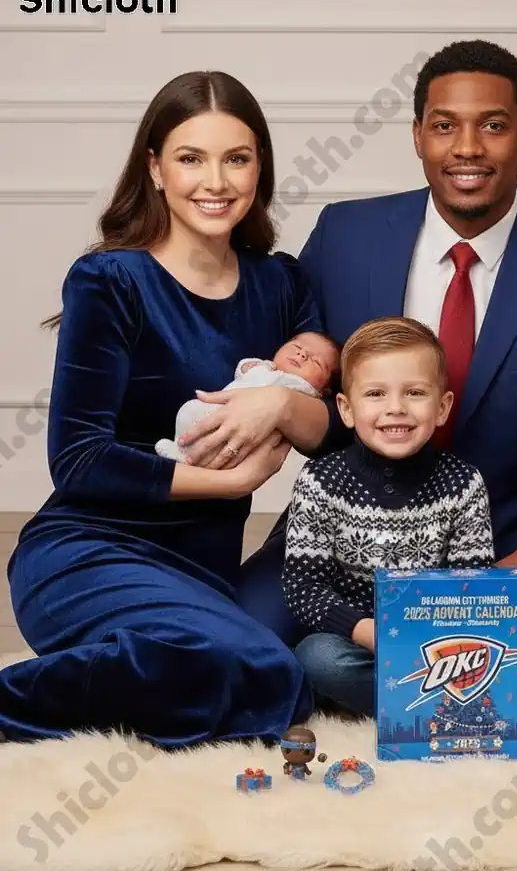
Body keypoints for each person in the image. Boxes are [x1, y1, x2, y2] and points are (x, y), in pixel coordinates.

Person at [231, 39, 517, 686]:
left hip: (500, 543)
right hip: (344, 542)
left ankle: (381, 675)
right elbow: (308, 380)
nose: (468, 148)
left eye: (493, 125)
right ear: (419, 136)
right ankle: (462, 675)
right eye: (445, 126)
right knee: (241, 642)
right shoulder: (345, 237)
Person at [0, 71, 337, 747]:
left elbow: (327, 437)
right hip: (86, 551)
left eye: (236, 158)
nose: (215, 181)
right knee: (267, 673)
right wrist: (234, 482)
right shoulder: (111, 280)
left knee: (253, 676)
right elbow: (79, 462)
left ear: (259, 167)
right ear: (155, 169)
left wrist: (276, 401)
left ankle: (101, 682)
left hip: (200, 572)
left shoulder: (280, 283)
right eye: (191, 158)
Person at [283, 316, 495, 716]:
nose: (395, 409)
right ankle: (437, 705)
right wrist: (373, 634)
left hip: (439, 645)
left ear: (442, 407)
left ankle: (410, 699)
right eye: (376, 394)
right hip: (357, 640)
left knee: (498, 649)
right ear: (346, 409)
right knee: (317, 657)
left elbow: (473, 586)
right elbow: (303, 587)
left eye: (414, 392)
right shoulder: (320, 480)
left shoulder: (463, 483)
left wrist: (437, 646)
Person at [155, 330, 339, 461]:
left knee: (225, 445)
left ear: (323, 392)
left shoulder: (301, 390)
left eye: (316, 361)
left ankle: (191, 460)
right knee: (188, 410)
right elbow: (242, 369)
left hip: (244, 431)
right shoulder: (264, 367)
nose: (302, 354)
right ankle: (181, 449)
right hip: (215, 408)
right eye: (296, 346)